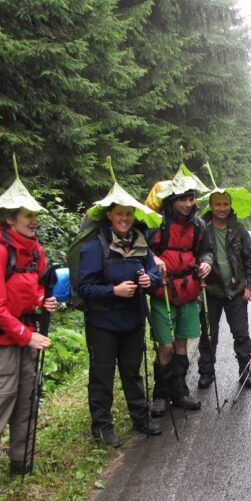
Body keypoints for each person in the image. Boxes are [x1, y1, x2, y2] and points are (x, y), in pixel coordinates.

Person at [0, 176, 57, 501]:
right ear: (9, 219)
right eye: (27, 216)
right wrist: (25, 334)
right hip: (0, 344)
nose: (34, 221)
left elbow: (29, 288)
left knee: (26, 401)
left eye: (35, 215)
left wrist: (41, 301)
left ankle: (20, 462)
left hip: (24, 338)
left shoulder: (34, 251)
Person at [77, 187, 164, 448]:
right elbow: (84, 286)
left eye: (127, 213)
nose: (124, 218)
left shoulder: (140, 243)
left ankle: (140, 418)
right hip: (102, 323)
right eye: (119, 214)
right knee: (102, 375)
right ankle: (102, 427)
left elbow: (154, 276)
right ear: (110, 216)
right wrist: (113, 291)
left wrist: (151, 280)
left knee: (132, 372)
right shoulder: (95, 247)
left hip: (132, 321)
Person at [147, 167, 213, 415]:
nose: (188, 203)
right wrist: (154, 259)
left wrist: (207, 262)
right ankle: (161, 394)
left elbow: (206, 251)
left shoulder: (199, 226)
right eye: (183, 199)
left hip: (188, 291)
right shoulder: (157, 225)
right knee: (165, 346)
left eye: (191, 198)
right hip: (162, 291)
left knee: (182, 346)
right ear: (172, 201)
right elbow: (143, 251)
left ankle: (180, 392)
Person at [197, 189, 251, 390]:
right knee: (209, 335)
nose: (222, 208)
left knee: (241, 333)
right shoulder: (201, 230)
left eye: (225, 204)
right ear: (211, 205)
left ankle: (245, 372)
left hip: (236, 291)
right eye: (218, 204)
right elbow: (194, 258)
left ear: (230, 205)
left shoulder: (239, 230)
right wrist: (195, 289)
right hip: (210, 291)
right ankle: (206, 373)